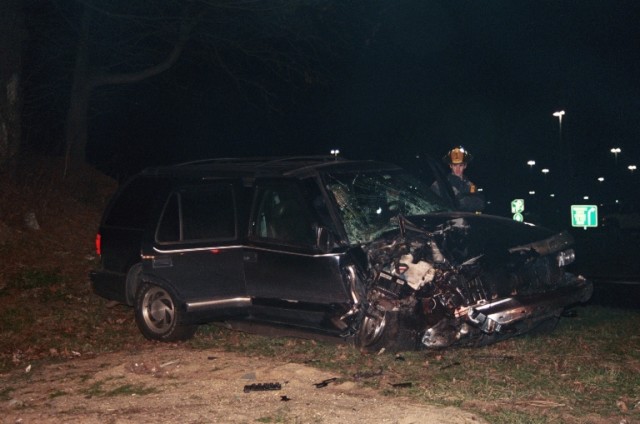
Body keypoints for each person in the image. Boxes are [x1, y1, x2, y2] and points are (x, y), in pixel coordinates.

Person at [431, 146, 485, 212]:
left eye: (461, 165)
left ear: (465, 166)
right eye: (455, 165)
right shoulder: (439, 184)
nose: (458, 169)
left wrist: (461, 199)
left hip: (465, 220)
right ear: (450, 165)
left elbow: (480, 204)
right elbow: (432, 204)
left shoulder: (470, 185)